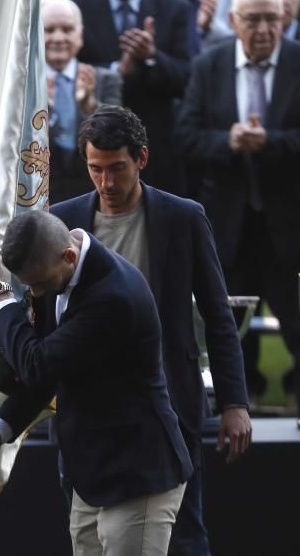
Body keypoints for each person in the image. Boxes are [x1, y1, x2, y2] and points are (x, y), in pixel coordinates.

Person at [51, 107, 251, 556]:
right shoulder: (62, 222)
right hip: (88, 415)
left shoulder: (183, 218)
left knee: (184, 536)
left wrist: (235, 402)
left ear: (141, 158)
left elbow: (218, 317)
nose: (106, 183)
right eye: (95, 169)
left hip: (168, 409)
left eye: (116, 168)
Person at [0, 210, 192, 554]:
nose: (35, 292)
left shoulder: (114, 296)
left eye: (38, 283)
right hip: (91, 475)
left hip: (138, 474)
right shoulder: (56, 269)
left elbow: (37, 365)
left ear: (68, 255)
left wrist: (0, 294)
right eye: (29, 285)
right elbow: (47, 373)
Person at [177, 0, 300, 410]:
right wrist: (228, 142)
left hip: (295, 228)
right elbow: (187, 137)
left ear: (285, 18)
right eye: (254, 19)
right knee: (229, 336)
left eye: (273, 18)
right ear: (234, 21)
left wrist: (270, 142)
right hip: (229, 233)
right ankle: (236, 423)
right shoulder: (208, 66)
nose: (265, 28)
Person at [65, 0, 190, 195]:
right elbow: (65, 68)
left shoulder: (174, 10)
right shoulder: (75, 8)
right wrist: (116, 70)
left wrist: (151, 56)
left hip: (157, 154)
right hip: (95, 157)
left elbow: (188, 79)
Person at [41, 0, 121, 203]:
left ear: (80, 35)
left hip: (93, 198)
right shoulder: (22, 86)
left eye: (67, 30)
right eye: (48, 30)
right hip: (40, 198)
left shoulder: (105, 80)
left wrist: (89, 106)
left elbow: (119, 135)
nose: (58, 38)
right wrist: (42, 110)